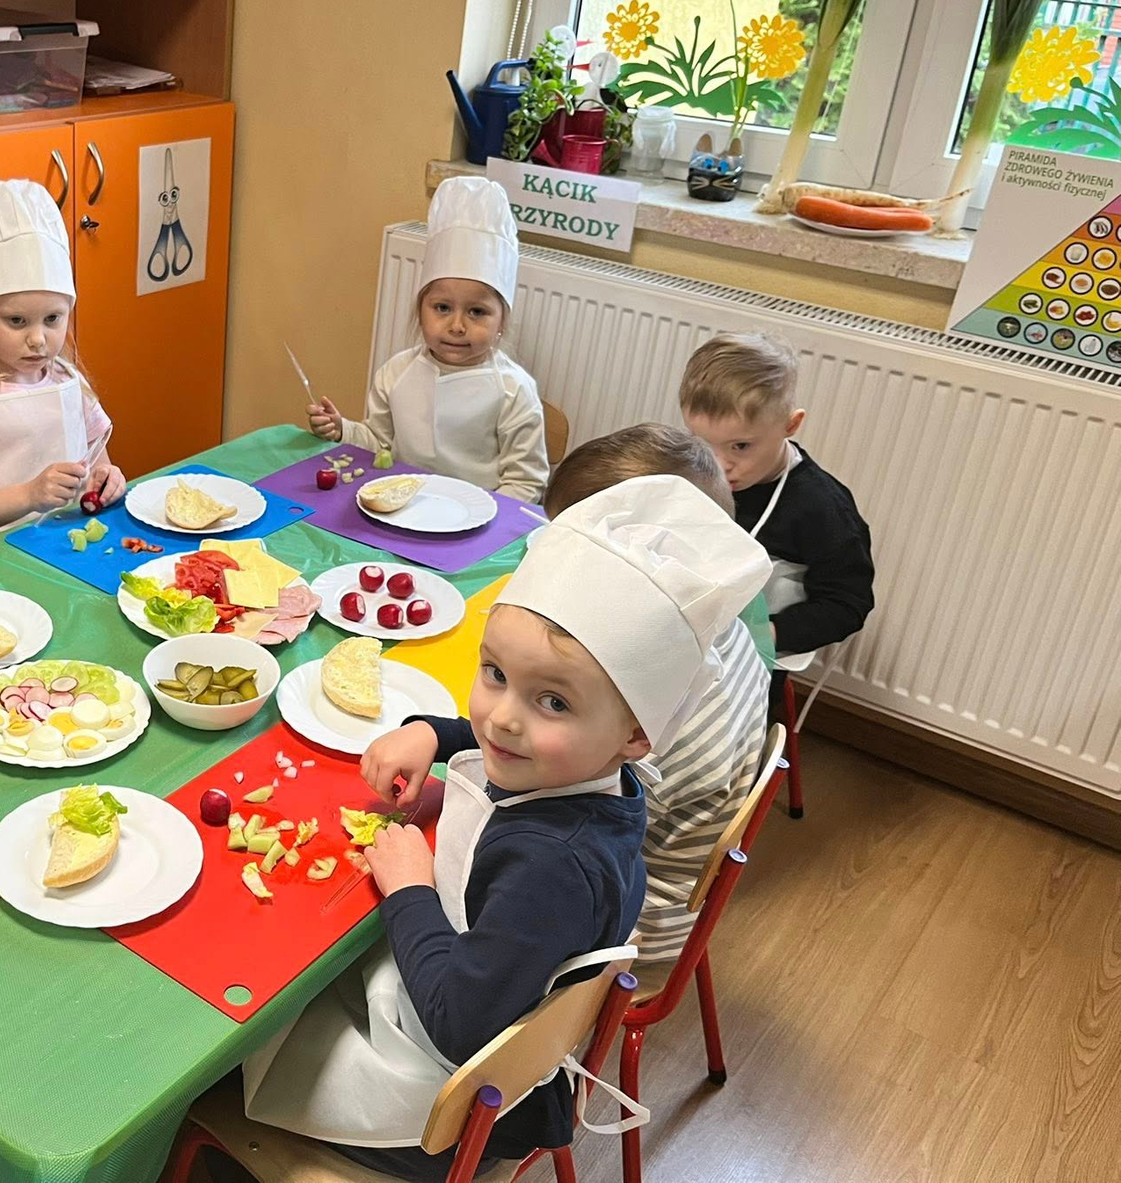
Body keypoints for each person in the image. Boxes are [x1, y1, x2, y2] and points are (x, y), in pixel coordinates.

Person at [240, 477, 770, 1181]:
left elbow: (458, 1025)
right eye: (494, 673)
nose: (502, 719)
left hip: (436, 1114)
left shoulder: (550, 868)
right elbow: (511, 735)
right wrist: (435, 733)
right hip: (481, 1015)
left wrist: (410, 889)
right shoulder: (596, 773)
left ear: (638, 733)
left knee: (238, 1042)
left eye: (553, 701)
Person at [544, 424, 771, 963]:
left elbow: (547, 819)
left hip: (622, 925)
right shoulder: (726, 629)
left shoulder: (654, 727)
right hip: (656, 879)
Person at [306, 175, 548, 501]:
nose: (457, 326)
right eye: (442, 308)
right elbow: (379, 445)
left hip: (478, 520)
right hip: (401, 507)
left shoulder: (514, 391)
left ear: (502, 320)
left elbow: (525, 482)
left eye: (477, 312)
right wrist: (342, 430)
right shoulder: (395, 374)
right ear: (420, 311)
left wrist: (482, 517)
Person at [0, 179, 123, 538]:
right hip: (0, 557)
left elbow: (98, 468)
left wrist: (108, 480)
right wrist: (30, 495)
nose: (37, 339)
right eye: (17, 321)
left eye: (53, 319)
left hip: (72, 547)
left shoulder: (69, 381)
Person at [679, 332, 874, 664]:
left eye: (740, 446)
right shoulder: (694, 470)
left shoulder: (821, 508)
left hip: (754, 658)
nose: (719, 465)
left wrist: (766, 634)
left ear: (790, 425)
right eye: (702, 443)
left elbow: (847, 604)